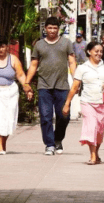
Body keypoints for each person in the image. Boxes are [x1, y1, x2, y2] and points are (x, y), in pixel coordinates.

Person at [25, 17, 77, 155]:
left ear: (58, 29)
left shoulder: (66, 43)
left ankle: (58, 139)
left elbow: (71, 62)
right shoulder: (39, 45)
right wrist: (26, 82)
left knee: (64, 115)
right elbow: (34, 65)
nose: (52, 30)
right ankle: (49, 144)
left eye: (55, 28)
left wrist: (76, 79)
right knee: (46, 116)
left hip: (62, 86)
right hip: (44, 86)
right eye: (50, 28)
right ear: (45, 29)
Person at [0, 37, 30, 154]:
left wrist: (27, 88)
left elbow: (21, 75)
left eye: (3, 46)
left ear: (7, 47)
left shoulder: (13, 59)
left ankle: (3, 143)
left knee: (8, 118)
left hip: (10, 92)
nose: (1, 49)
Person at [62, 41, 104, 164]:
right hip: (87, 102)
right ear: (89, 52)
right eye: (96, 51)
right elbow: (74, 87)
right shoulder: (82, 68)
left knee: (99, 130)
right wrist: (67, 104)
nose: (99, 54)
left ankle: (96, 153)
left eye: (101, 51)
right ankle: (92, 155)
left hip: (103, 103)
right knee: (91, 127)